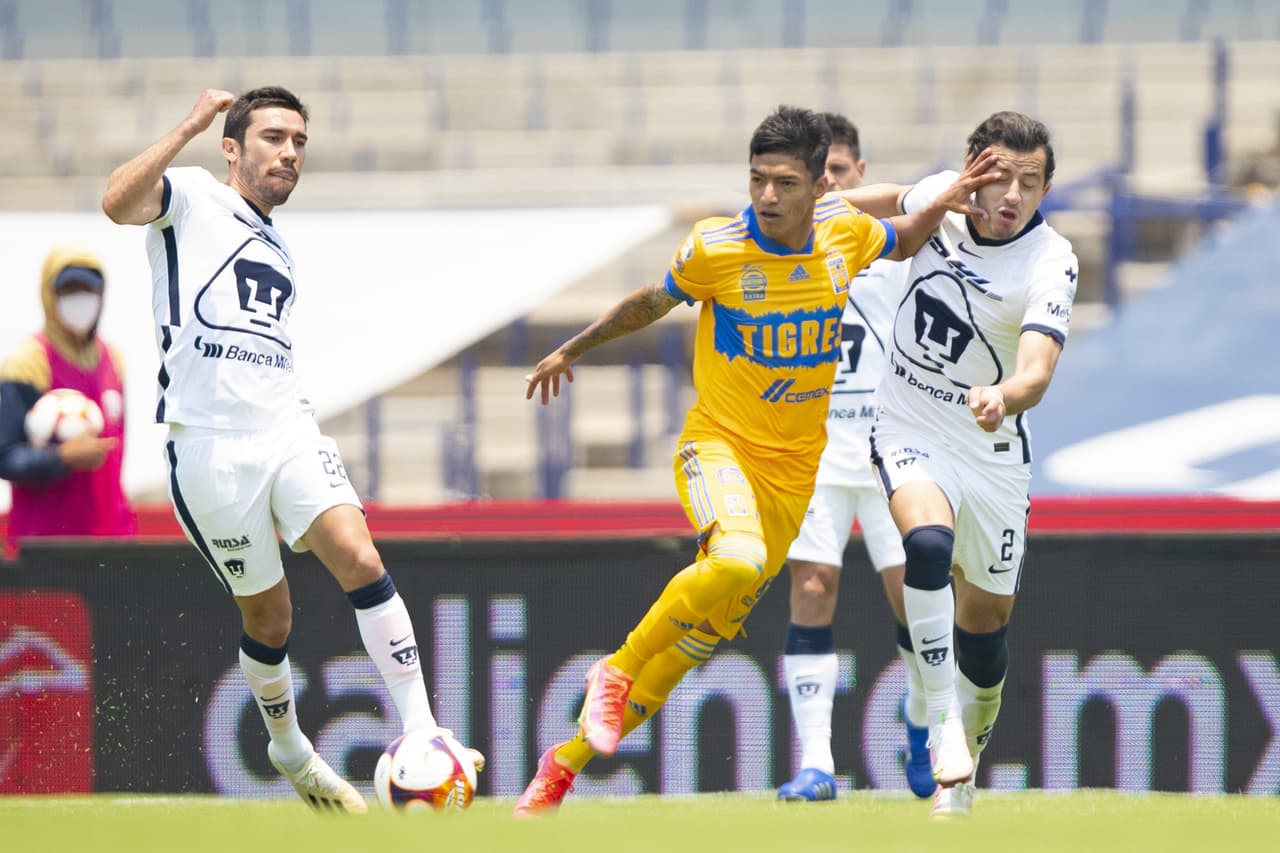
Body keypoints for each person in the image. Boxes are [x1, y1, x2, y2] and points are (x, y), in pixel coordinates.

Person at [513, 105, 999, 817]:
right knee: (736, 560)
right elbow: (650, 301)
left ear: (816, 189)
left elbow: (900, 236)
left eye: (784, 183)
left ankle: (562, 766)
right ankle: (612, 672)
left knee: (692, 645)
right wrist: (574, 348)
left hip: (793, 478)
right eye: (756, 180)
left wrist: (947, 200)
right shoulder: (717, 248)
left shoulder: (844, 235)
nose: (767, 196)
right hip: (718, 448)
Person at [100, 87, 482, 813]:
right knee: (271, 620)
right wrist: (188, 122)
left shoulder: (279, 245)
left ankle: (425, 732)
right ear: (233, 147)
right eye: (274, 137)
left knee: (361, 556)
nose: (290, 152)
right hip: (209, 449)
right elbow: (117, 202)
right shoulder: (188, 197)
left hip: (286, 429)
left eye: (300, 141)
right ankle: (289, 748)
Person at [837, 111, 1078, 818]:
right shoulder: (943, 197)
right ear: (974, 166)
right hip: (909, 421)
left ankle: (966, 754)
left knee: (986, 633)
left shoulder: (1050, 259)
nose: (1011, 195)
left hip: (993, 446)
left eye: (1029, 183)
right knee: (927, 543)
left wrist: (1001, 396)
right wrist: (807, 208)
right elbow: (867, 203)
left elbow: (1036, 372)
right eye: (1000, 175)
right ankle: (940, 721)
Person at [775, 113, 934, 803]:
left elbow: (920, 206)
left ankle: (923, 723)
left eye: (838, 172)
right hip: (813, 454)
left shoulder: (888, 249)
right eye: (818, 177)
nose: (828, 187)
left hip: (886, 449)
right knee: (812, 588)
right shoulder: (784, 249)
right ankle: (815, 761)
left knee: (914, 599)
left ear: (858, 173)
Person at [0, 246, 136, 555]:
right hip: (45, 545)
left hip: (112, 538)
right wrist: (61, 459)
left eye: (89, 289)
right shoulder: (28, 361)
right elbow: (5, 456)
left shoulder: (113, 359)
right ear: (50, 295)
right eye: (69, 289)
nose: (81, 298)